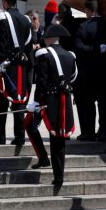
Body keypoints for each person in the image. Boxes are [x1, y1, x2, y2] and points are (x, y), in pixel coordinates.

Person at [24, 24, 77, 190]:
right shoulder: (70, 55)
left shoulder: (43, 54)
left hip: (47, 100)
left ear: (48, 39)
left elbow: (41, 81)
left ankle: (54, 171)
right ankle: (51, 167)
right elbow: (73, 77)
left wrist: (35, 102)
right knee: (56, 137)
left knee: (48, 133)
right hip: (64, 100)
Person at [0, 0, 32, 146]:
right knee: (18, 101)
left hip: (4, 67)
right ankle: (20, 136)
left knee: (2, 102)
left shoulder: (1, 18)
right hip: (20, 67)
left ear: (5, 2)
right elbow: (28, 44)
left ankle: (0, 136)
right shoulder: (26, 20)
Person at [75, 0, 106, 142]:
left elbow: (79, 47)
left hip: (89, 72)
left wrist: (93, 49)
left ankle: (89, 132)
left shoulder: (83, 27)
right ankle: (103, 131)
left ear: (88, 10)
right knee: (104, 102)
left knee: (88, 103)